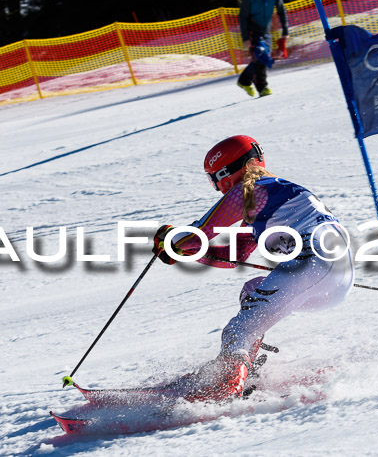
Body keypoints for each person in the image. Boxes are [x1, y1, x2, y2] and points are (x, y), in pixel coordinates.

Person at [151, 135, 355, 402]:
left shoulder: (251, 190)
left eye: (213, 179)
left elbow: (198, 233)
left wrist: (170, 239)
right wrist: (189, 254)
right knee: (252, 290)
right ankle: (243, 366)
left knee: (238, 330)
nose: (216, 187)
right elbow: (234, 256)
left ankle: (226, 383)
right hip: (339, 277)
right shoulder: (275, 191)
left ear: (225, 173)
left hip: (311, 264)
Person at [237, 0, 289, 97]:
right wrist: (246, 37)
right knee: (261, 55)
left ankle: (244, 80)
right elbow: (243, 17)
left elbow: (281, 10)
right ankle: (262, 88)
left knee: (263, 57)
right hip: (252, 30)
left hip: (266, 30)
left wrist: (285, 30)